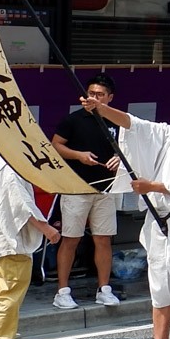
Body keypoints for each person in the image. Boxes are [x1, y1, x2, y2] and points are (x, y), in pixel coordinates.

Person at [82, 81, 170, 339]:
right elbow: (134, 124)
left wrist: (154, 185)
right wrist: (100, 109)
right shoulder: (169, 133)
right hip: (158, 218)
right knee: (159, 283)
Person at [47, 73, 125, 309]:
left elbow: (128, 149)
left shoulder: (117, 121)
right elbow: (55, 145)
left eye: (100, 95)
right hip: (75, 186)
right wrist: (79, 155)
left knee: (104, 239)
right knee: (71, 238)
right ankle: (62, 291)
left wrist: (118, 158)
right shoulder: (73, 119)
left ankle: (104, 288)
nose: (94, 98)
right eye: (91, 93)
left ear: (110, 98)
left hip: (106, 187)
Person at [0, 146, 61, 339]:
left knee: (3, 283)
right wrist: (46, 228)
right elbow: (20, 204)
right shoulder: (8, 166)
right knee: (12, 284)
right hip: (6, 228)